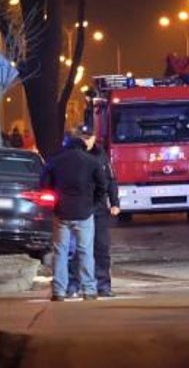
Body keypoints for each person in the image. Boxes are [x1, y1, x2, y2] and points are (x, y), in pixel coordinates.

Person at [41, 127, 108, 302]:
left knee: (60, 252)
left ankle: (59, 291)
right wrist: (93, 204)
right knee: (85, 251)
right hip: (85, 212)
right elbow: (103, 186)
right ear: (82, 145)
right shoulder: (91, 161)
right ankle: (89, 290)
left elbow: (44, 185)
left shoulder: (55, 161)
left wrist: (55, 204)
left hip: (61, 212)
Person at [67, 129, 121, 297]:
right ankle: (73, 284)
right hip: (79, 208)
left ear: (94, 138)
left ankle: (103, 285)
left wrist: (114, 202)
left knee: (101, 248)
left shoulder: (101, 156)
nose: (86, 141)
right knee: (75, 248)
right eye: (82, 138)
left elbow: (111, 181)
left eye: (88, 138)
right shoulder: (73, 156)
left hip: (98, 209)